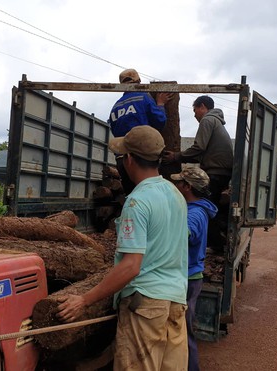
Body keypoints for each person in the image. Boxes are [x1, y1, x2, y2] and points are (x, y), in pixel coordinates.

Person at [57, 125, 189, 371]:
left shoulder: (137, 201)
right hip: (176, 301)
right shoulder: (175, 194)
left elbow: (131, 266)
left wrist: (84, 300)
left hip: (146, 306)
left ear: (129, 159)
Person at [163, 95, 233, 250]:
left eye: (195, 111)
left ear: (202, 106)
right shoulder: (217, 122)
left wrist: (176, 156)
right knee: (212, 205)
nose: (194, 115)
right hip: (221, 172)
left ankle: (216, 244)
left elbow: (198, 148)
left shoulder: (207, 120)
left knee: (204, 206)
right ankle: (218, 240)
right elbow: (203, 153)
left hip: (215, 172)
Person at [170, 167, 218, 371]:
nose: (175, 185)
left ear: (187, 186)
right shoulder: (192, 208)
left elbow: (183, 235)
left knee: (182, 332)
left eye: (179, 182)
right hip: (186, 276)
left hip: (187, 279)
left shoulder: (195, 213)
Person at [109, 68, 173, 195]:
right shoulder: (143, 97)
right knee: (148, 196)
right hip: (142, 159)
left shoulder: (115, 106)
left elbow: (114, 130)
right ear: (139, 81)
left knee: (131, 196)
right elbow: (160, 121)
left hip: (122, 159)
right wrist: (160, 104)